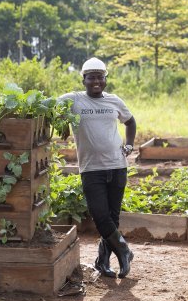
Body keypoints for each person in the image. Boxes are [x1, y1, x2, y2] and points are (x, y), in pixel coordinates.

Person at [58, 57, 137, 279]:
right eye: (91, 77)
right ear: (83, 79)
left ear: (105, 79)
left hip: (117, 166)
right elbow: (48, 106)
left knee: (112, 217)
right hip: (91, 169)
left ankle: (102, 261)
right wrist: (62, 122)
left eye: (100, 77)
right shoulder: (73, 99)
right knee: (100, 216)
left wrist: (129, 145)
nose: (96, 82)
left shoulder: (114, 101)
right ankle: (124, 250)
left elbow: (130, 122)